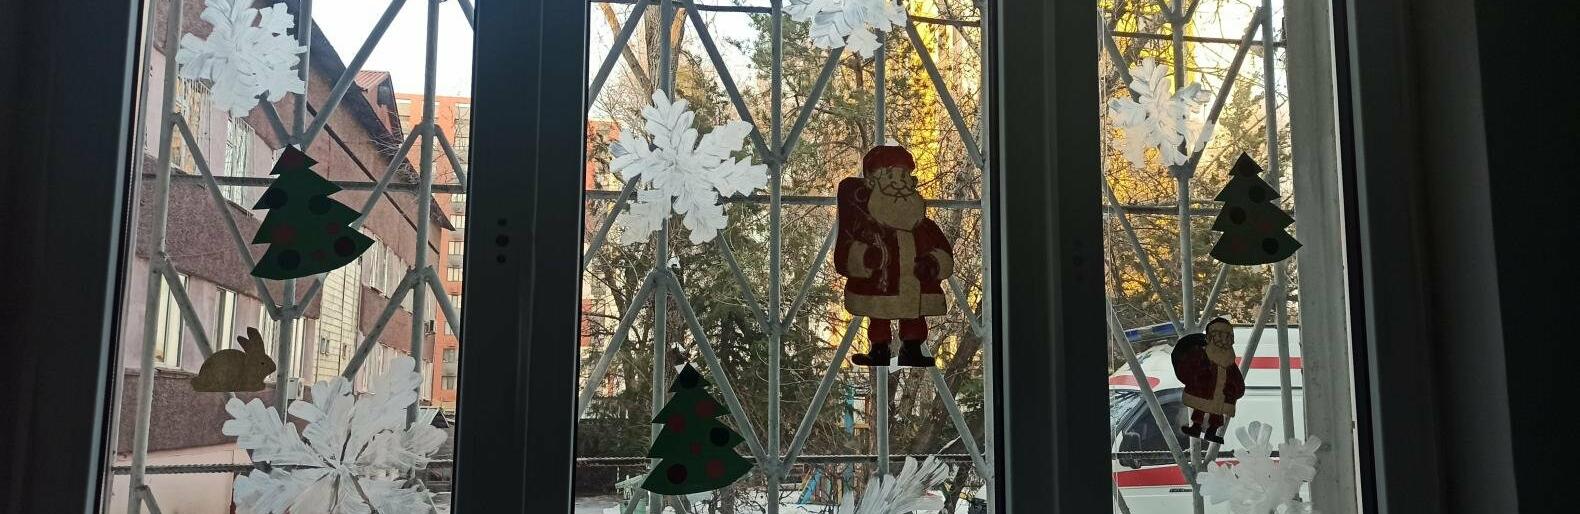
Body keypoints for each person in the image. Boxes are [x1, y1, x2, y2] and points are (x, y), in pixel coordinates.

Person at [833, 146, 954, 367]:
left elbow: (942, 251)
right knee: (879, 316)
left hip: (916, 285)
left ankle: (912, 348)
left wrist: (934, 263)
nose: (898, 185)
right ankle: (879, 349)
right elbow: (847, 250)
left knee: (914, 315)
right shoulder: (867, 228)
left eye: (903, 177)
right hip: (880, 286)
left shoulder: (924, 227)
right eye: (890, 177)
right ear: (872, 183)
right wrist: (865, 257)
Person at [1171, 318, 1246, 444]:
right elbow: (1190, 368)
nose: (1222, 341)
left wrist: (1236, 389)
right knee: (1201, 408)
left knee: (1216, 412)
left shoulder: (1229, 362)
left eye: (1226, 337)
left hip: (1221, 394)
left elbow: (1236, 378)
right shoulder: (1202, 355)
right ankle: (1196, 427)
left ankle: (1211, 431)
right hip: (1204, 391)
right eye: (1219, 336)